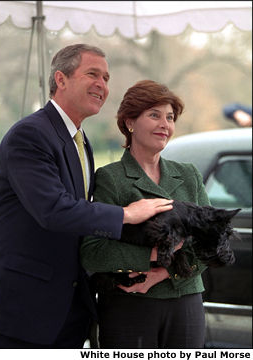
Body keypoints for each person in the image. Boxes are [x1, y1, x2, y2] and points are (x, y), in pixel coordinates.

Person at [0, 45, 172, 349]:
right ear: (60, 79)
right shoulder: (30, 134)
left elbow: (81, 214)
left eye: (106, 77)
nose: (102, 85)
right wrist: (126, 214)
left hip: (71, 307)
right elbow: (53, 210)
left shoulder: (80, 139)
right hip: (27, 309)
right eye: (93, 74)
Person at [80, 80, 211, 349]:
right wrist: (150, 258)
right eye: (154, 115)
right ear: (130, 122)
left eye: (170, 117)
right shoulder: (110, 178)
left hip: (184, 300)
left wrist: (163, 272)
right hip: (129, 305)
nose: (165, 124)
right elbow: (93, 251)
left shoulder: (189, 174)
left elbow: (211, 240)